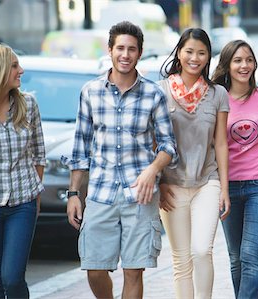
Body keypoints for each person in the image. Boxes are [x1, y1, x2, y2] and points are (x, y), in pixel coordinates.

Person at [63, 21, 178, 299]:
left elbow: (168, 145)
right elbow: (80, 148)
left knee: (133, 270)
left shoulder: (154, 94)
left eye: (132, 49)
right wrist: (74, 194)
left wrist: (153, 169)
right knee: (94, 268)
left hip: (139, 196)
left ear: (139, 53)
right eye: (120, 48)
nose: (125, 55)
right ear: (110, 50)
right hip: (101, 194)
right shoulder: (90, 92)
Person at [157, 28, 230, 299]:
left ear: (208, 56)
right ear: (179, 53)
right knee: (181, 259)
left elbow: (221, 143)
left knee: (202, 250)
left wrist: (224, 188)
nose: (194, 58)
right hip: (171, 184)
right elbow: (154, 141)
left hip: (206, 181)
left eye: (201, 53)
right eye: (189, 51)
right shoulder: (160, 91)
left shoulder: (217, 93)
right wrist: (158, 183)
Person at [211, 39, 258, 299]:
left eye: (249, 60)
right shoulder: (216, 98)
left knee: (250, 255)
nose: (244, 66)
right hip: (226, 186)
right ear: (227, 65)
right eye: (238, 60)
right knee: (235, 258)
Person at [0, 44, 45, 298]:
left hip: (22, 203)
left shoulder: (28, 104)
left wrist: (35, 196)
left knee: (13, 277)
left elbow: (39, 153)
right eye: (15, 66)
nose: (21, 70)